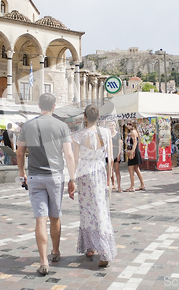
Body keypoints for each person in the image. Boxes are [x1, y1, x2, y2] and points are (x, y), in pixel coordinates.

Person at [16, 93, 76, 276]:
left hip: (35, 176)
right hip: (55, 176)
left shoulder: (28, 125)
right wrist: (72, 178)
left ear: (38, 105)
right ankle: (55, 252)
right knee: (55, 217)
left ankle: (43, 261)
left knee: (40, 219)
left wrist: (21, 174)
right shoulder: (62, 126)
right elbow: (69, 155)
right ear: (54, 106)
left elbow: (19, 153)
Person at [71, 105, 117, 268]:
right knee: (100, 210)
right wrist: (110, 179)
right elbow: (110, 159)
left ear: (85, 117)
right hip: (99, 173)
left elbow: (75, 160)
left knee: (87, 211)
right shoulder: (105, 133)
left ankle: (93, 248)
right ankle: (100, 248)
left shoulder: (78, 136)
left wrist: (72, 179)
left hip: (84, 175)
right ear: (98, 117)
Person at [124, 121, 145, 192]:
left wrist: (132, 152)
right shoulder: (132, 132)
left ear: (133, 125)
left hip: (134, 151)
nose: (128, 125)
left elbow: (135, 143)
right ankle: (142, 184)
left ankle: (132, 186)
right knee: (136, 169)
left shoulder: (133, 132)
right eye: (127, 124)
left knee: (131, 169)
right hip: (133, 150)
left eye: (130, 124)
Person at [109, 121, 123, 192]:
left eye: (113, 125)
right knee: (110, 170)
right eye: (110, 125)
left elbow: (120, 144)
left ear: (115, 126)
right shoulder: (108, 134)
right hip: (109, 152)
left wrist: (119, 154)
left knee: (117, 171)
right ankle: (113, 184)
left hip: (116, 150)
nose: (111, 127)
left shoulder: (118, 134)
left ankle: (119, 186)